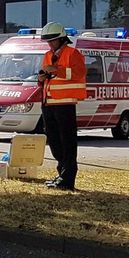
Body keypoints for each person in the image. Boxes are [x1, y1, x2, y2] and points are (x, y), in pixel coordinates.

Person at [37, 22, 86, 190]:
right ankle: (61, 174)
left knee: (67, 142)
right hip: (48, 103)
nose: (50, 44)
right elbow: (44, 76)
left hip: (65, 104)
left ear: (62, 39)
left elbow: (78, 74)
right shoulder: (47, 55)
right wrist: (41, 78)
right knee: (54, 141)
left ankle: (67, 179)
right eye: (48, 42)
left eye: (52, 41)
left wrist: (55, 70)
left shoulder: (73, 54)